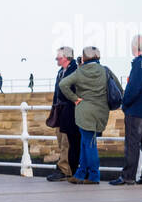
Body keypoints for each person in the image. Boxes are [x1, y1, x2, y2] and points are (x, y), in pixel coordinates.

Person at [57, 47, 113, 184]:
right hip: (101, 111)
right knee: (85, 143)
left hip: (84, 112)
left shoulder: (80, 71)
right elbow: (117, 87)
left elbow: (63, 84)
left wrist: (74, 98)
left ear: (84, 58)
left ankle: (94, 175)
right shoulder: (105, 70)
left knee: (89, 144)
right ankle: (80, 174)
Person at [110, 35, 142, 186]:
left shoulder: (139, 63)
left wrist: (125, 103)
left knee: (132, 144)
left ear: (135, 48)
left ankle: (128, 176)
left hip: (137, 111)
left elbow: (134, 88)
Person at [45, 47, 80, 182]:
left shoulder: (74, 71)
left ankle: (65, 169)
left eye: (58, 58)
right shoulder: (61, 72)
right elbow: (57, 93)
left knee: (67, 141)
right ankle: (64, 167)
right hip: (59, 110)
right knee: (61, 140)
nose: (56, 60)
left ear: (66, 57)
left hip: (69, 111)